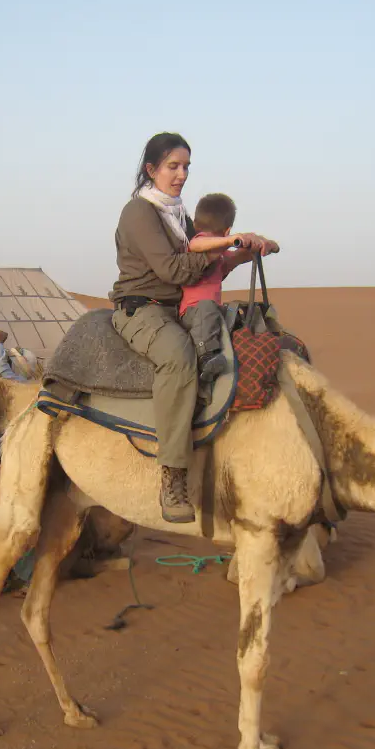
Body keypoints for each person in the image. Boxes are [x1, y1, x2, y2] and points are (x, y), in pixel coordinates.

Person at [109, 132, 263, 523]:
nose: (181, 175)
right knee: (179, 358)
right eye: (173, 167)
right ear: (151, 170)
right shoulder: (140, 213)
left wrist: (243, 252)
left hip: (178, 306)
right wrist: (222, 247)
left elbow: (207, 262)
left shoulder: (179, 215)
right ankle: (173, 476)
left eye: (186, 167)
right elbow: (174, 269)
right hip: (142, 309)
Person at [179, 192, 279, 381]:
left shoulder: (220, 256)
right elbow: (196, 243)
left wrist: (265, 245)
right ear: (227, 231)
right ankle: (206, 356)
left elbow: (240, 256)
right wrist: (230, 240)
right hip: (193, 312)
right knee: (207, 307)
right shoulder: (198, 244)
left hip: (209, 313)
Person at [0, 330, 33, 589]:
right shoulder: (20, 389)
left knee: (5, 520)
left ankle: (17, 574)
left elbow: (0, 369)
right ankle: (12, 574)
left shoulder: (20, 387)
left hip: (1, 462)